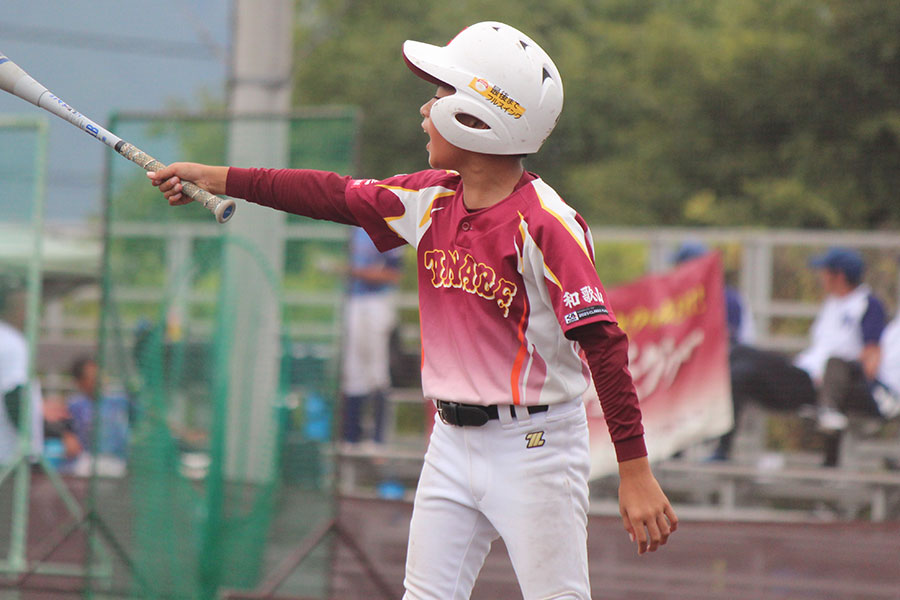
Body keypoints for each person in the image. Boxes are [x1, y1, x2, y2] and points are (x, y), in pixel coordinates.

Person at [148, 21, 676, 599]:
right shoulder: (430, 197)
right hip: (450, 439)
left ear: (480, 117)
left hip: (538, 446)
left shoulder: (546, 224)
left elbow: (602, 342)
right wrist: (217, 176)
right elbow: (329, 193)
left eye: (441, 96)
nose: (427, 110)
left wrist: (634, 468)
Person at [340, 227, 404, 447]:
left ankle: (378, 440)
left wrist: (356, 272)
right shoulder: (351, 228)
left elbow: (393, 274)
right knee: (353, 370)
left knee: (377, 371)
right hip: (355, 300)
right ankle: (352, 437)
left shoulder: (386, 225)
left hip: (378, 301)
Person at [0, 281, 44, 465]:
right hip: (9, 456)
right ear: (20, 311)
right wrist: (29, 445)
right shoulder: (14, 344)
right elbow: (13, 394)